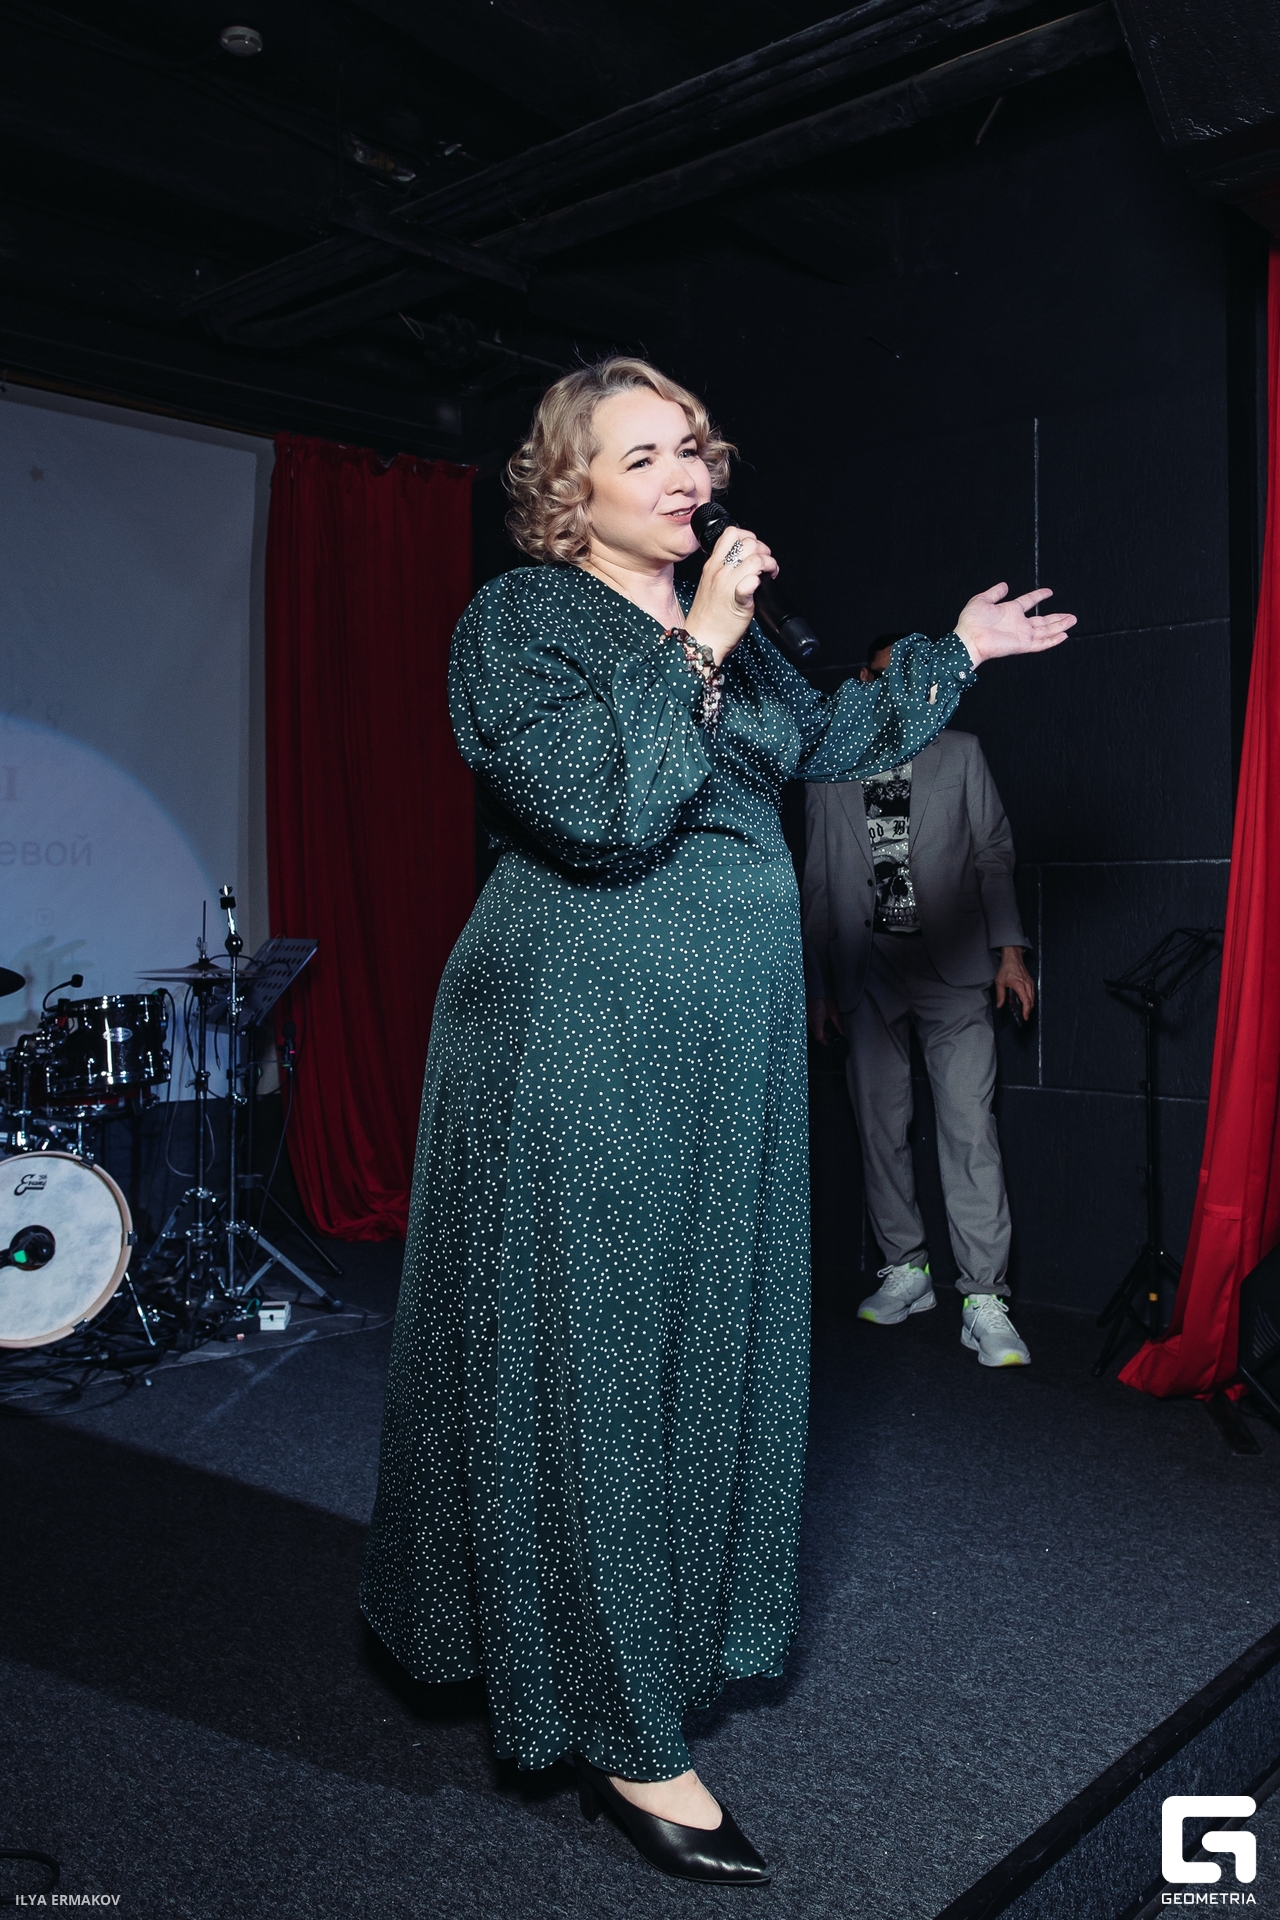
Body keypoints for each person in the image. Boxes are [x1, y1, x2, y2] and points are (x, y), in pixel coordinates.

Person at [359, 359, 1073, 1886]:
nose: (686, 474)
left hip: (724, 1047)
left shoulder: (726, 635)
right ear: (569, 492)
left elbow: (821, 744)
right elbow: (603, 811)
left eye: (691, 447)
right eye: (643, 456)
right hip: (583, 1033)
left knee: (701, 1337)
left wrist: (956, 649)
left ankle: (651, 1632)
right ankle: (624, 1734)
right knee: (602, 1353)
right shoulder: (522, 623)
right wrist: (698, 645)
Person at [803, 633, 1036, 1365]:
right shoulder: (830, 767)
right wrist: (818, 987)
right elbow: (818, 882)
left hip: (953, 965)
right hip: (866, 969)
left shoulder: (960, 753)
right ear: (863, 681)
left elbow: (994, 854)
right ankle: (905, 1268)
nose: (896, 688)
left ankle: (985, 1296)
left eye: (910, 676)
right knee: (880, 1127)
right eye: (883, 676)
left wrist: (1010, 953)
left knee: (969, 1128)